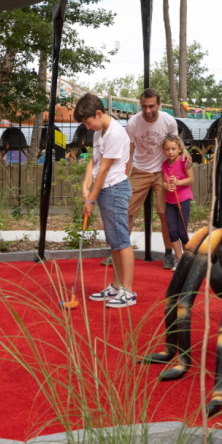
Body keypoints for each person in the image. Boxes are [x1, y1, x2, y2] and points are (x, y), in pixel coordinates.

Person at [77, 92, 136, 308]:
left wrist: (91, 200)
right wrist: (85, 187)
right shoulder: (99, 132)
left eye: (87, 121)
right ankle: (116, 286)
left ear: (98, 113)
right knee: (114, 241)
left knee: (121, 241)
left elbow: (103, 170)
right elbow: (93, 162)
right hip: (105, 190)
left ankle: (128, 292)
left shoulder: (115, 134)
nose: (87, 126)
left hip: (115, 190)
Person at [125, 89, 189, 269]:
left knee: (164, 214)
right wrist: (124, 175)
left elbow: (176, 143)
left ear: (159, 105)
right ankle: (119, 252)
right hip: (139, 170)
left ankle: (169, 254)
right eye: (144, 106)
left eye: (151, 106)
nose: (147, 110)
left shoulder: (168, 121)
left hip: (163, 171)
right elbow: (129, 151)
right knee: (127, 211)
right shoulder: (133, 122)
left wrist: (185, 151)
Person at [160, 134, 193, 269]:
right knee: (172, 232)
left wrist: (178, 182)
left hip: (183, 199)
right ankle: (180, 261)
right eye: (167, 149)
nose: (170, 152)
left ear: (180, 149)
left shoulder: (184, 161)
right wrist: (167, 186)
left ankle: (188, 261)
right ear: (163, 150)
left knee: (182, 232)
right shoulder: (164, 164)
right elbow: (163, 182)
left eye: (173, 149)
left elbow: (191, 179)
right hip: (170, 201)